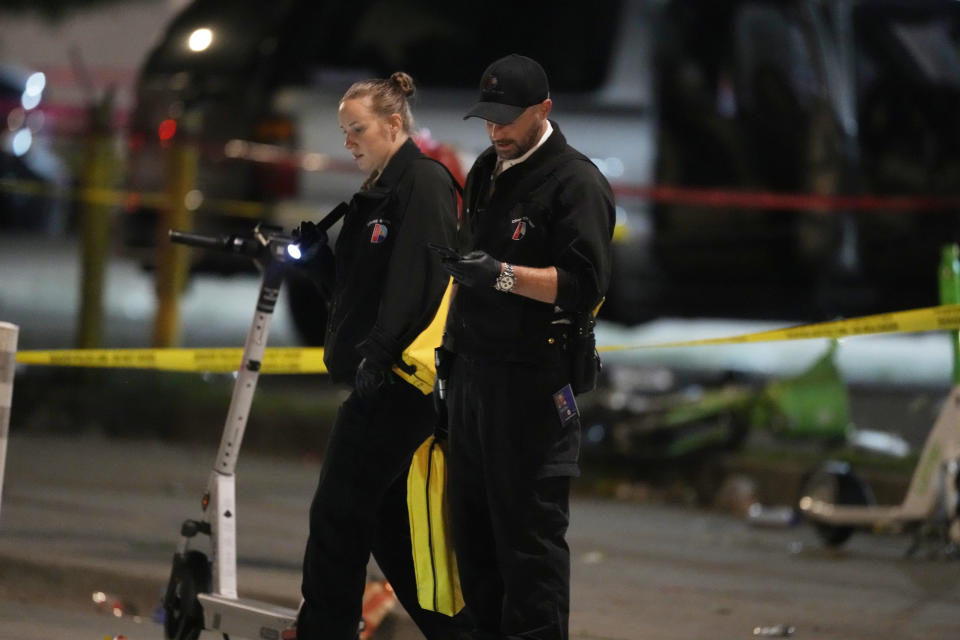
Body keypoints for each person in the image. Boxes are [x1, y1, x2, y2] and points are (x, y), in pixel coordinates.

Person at [437, 54, 615, 640]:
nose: (495, 130)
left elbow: (586, 285)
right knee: (474, 544)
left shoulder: (576, 182)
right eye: (487, 117)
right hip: (471, 380)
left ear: (544, 109)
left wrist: (503, 275)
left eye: (508, 118)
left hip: (532, 387)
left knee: (528, 552)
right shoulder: (488, 168)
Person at [291, 71, 461, 640]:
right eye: (344, 131)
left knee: (338, 514)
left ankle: (323, 630)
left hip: (400, 382)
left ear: (394, 123)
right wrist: (320, 267)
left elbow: (421, 282)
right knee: (391, 533)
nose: (349, 143)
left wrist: (379, 355)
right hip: (381, 375)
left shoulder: (425, 184)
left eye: (356, 129)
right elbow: (359, 296)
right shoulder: (378, 191)